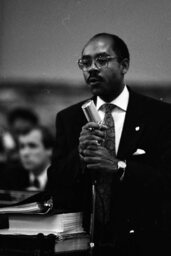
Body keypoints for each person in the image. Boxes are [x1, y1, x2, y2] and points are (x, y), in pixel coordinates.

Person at [47, 33, 171, 255]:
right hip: (84, 243)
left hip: (143, 242)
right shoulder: (69, 118)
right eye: (85, 63)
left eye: (102, 60)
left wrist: (119, 167)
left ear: (124, 65)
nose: (92, 68)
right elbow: (56, 183)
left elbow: (166, 180)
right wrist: (80, 153)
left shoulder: (159, 115)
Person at [0, 125, 53, 191]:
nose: (25, 153)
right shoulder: (10, 177)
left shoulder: (65, 178)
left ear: (49, 150)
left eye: (32, 146)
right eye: (22, 147)